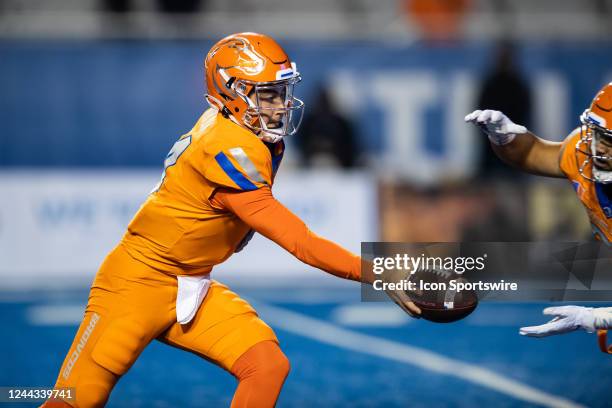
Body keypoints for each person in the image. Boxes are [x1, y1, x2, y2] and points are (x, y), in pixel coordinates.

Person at [42, 32, 419, 407]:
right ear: (231, 92)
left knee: (266, 365)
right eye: (267, 94)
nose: (280, 106)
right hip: (137, 282)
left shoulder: (241, 129)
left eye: (281, 93)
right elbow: (299, 241)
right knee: (74, 399)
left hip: (189, 281)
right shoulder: (227, 147)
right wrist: (376, 272)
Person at [465, 82, 612, 354]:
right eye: (598, 135)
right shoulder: (583, 154)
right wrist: (506, 139)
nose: (599, 149)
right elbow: (533, 155)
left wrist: (596, 317)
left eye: (611, 141)